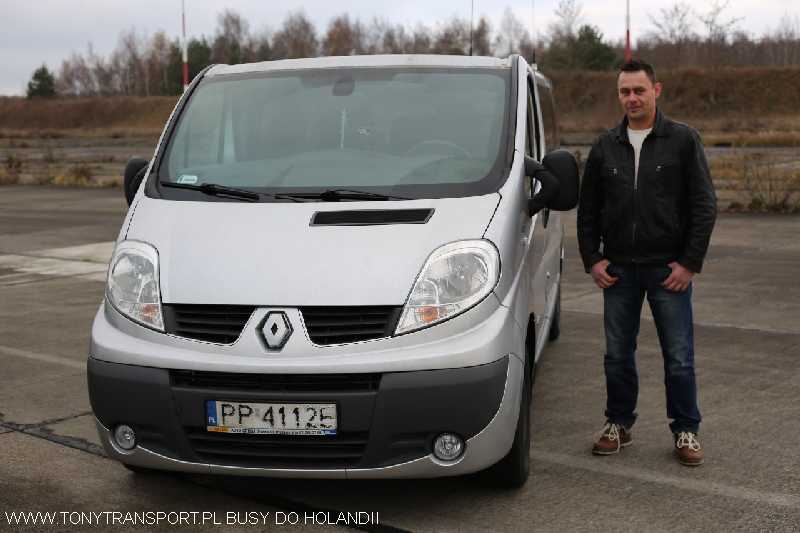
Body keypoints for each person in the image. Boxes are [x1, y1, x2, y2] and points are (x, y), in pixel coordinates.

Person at [577, 59, 717, 466]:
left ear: (657, 90)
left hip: (667, 271)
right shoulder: (605, 146)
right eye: (625, 91)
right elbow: (588, 211)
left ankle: (686, 430)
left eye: (639, 90)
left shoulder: (683, 140)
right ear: (618, 94)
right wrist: (593, 259)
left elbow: (704, 206)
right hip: (618, 271)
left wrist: (689, 263)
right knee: (617, 354)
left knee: (679, 355)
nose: (632, 98)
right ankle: (618, 424)